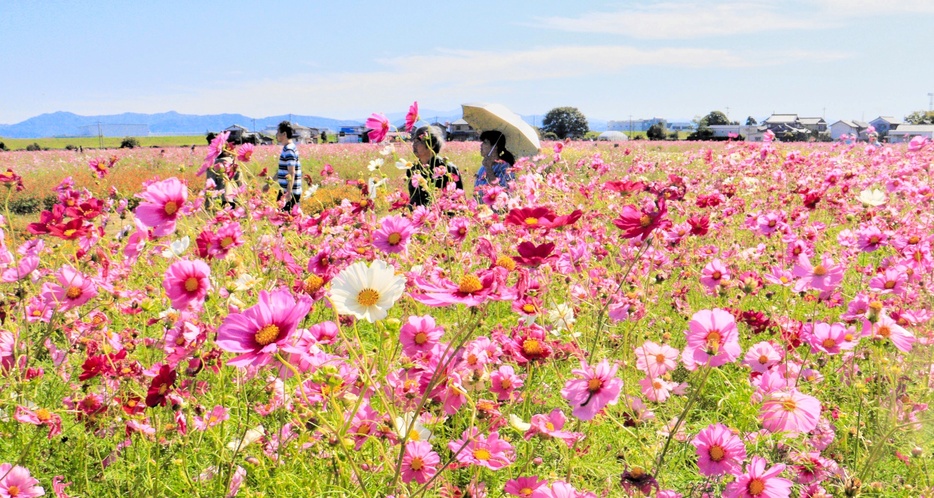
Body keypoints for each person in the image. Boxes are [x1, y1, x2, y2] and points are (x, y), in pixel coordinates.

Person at [407, 125, 463, 209]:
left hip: (442, 217)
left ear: (432, 144)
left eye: (418, 141)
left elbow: (459, 199)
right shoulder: (413, 169)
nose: (414, 145)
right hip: (419, 217)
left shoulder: (448, 168)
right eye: (413, 141)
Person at [474, 130, 515, 203]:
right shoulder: (482, 167)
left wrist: (489, 169)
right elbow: (476, 189)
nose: (481, 145)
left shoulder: (505, 167)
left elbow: (503, 192)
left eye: (485, 143)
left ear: (495, 147)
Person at [276, 121, 302, 212]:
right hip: (286, 191)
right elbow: (284, 170)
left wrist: (288, 193)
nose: (276, 134)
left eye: (278, 132)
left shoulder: (289, 150)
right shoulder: (288, 148)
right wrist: (270, 181)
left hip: (289, 193)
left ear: (284, 134)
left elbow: (291, 172)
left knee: (286, 222)